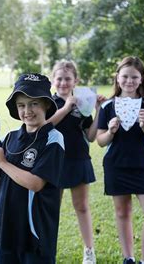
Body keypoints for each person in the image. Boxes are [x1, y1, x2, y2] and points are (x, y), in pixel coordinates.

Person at [0, 73, 65, 263]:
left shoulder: (53, 138)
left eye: (34, 103)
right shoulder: (9, 138)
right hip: (6, 227)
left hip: (35, 232)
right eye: (21, 105)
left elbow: (35, 183)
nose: (27, 110)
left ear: (47, 104)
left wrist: (3, 162)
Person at [96, 56, 144, 264]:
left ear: (142, 78)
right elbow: (100, 140)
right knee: (122, 212)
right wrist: (111, 131)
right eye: (124, 76)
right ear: (117, 78)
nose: (129, 81)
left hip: (142, 165)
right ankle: (129, 258)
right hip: (116, 165)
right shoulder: (108, 106)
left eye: (134, 77)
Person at [48, 61, 105, 264]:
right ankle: (48, 250)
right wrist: (66, 107)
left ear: (75, 81)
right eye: (59, 79)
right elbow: (46, 125)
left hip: (78, 159)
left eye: (67, 79)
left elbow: (90, 136)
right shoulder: (48, 102)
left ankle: (89, 250)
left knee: (81, 206)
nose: (63, 83)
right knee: (51, 208)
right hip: (54, 162)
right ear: (53, 80)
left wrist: (98, 111)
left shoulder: (83, 103)